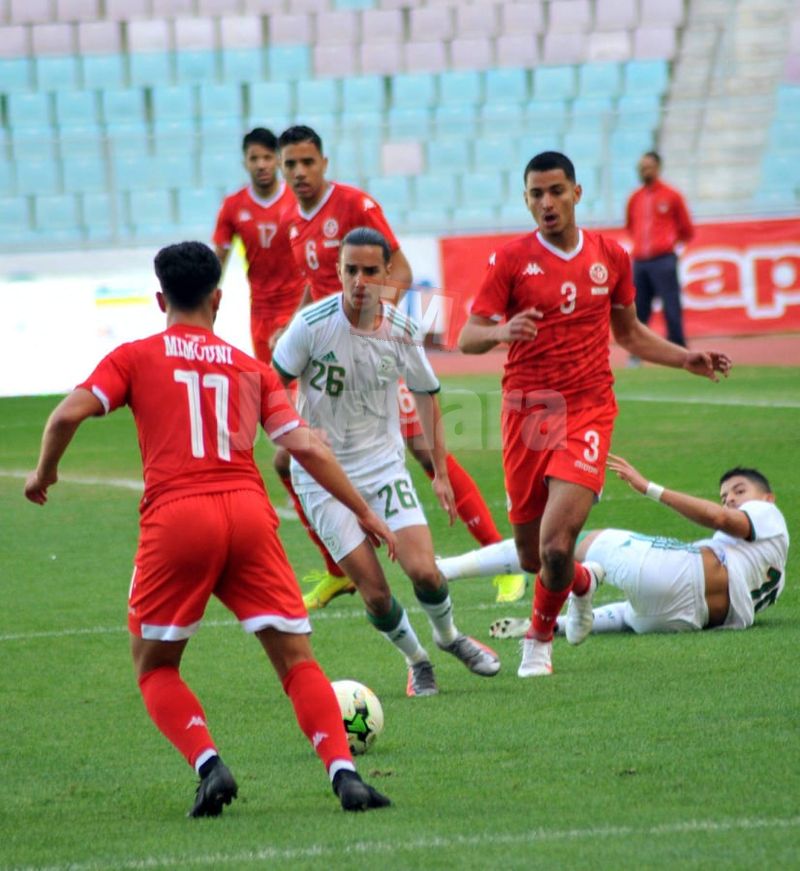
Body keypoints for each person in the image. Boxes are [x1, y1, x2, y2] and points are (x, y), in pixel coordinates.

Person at [23, 241, 395, 817]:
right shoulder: (249, 367)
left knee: (155, 666)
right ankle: (344, 774)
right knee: (296, 660)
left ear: (160, 299)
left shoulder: (134, 357)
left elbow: (66, 414)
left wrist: (45, 472)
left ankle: (209, 765)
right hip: (248, 515)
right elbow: (306, 446)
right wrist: (364, 512)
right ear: (217, 300)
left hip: (178, 518)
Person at [458, 150, 732, 679]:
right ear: (526, 200)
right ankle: (583, 582)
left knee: (555, 543)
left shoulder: (611, 256)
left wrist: (683, 357)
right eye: (536, 194)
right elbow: (469, 336)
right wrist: (502, 331)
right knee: (536, 558)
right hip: (527, 413)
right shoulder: (510, 260)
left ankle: (538, 642)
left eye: (556, 191)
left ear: (576, 193)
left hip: (587, 408)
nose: (547, 202)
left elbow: (628, 333)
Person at [273, 124, 525, 609]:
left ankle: (501, 559)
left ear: (324, 163)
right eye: (291, 164)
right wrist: (293, 326)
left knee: (427, 453)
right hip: (331, 358)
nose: (299, 172)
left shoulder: (353, 205)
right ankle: (339, 570)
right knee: (288, 460)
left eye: (307, 162)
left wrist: (370, 328)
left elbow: (402, 271)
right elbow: (316, 286)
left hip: (370, 355)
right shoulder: (292, 223)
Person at [272, 227, 501, 697]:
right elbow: (270, 385)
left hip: (382, 467)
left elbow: (426, 393)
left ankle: (449, 637)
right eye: (351, 270)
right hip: (323, 478)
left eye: (371, 271)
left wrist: (440, 473)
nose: (360, 281)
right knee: (376, 593)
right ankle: (417, 661)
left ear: (387, 273)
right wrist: (297, 430)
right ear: (338, 270)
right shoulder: (310, 325)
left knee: (425, 572)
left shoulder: (402, 330)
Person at [485, 455, 789, 640]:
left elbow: (718, 517)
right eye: (724, 496)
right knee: (629, 613)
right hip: (681, 621)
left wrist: (649, 487)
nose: (730, 499)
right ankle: (556, 624)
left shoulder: (767, 513)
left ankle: (456, 568)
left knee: (562, 541)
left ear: (768, 498)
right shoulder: (774, 578)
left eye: (739, 491)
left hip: (680, 577)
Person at [212, 127, 305, 364]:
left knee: (299, 378)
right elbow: (218, 261)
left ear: (278, 160)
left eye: (267, 157)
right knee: (264, 378)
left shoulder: (298, 199)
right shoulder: (233, 206)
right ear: (245, 162)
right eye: (254, 158)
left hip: (298, 305)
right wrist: (206, 304)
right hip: (261, 311)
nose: (261, 165)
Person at [625, 151, 694, 359]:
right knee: (638, 311)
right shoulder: (634, 198)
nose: (644, 171)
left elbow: (686, 229)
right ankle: (637, 353)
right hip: (640, 262)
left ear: (658, 168)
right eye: (641, 168)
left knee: (671, 307)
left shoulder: (672, 195)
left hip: (664, 259)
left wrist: (669, 245)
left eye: (648, 167)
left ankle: (680, 353)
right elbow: (630, 226)